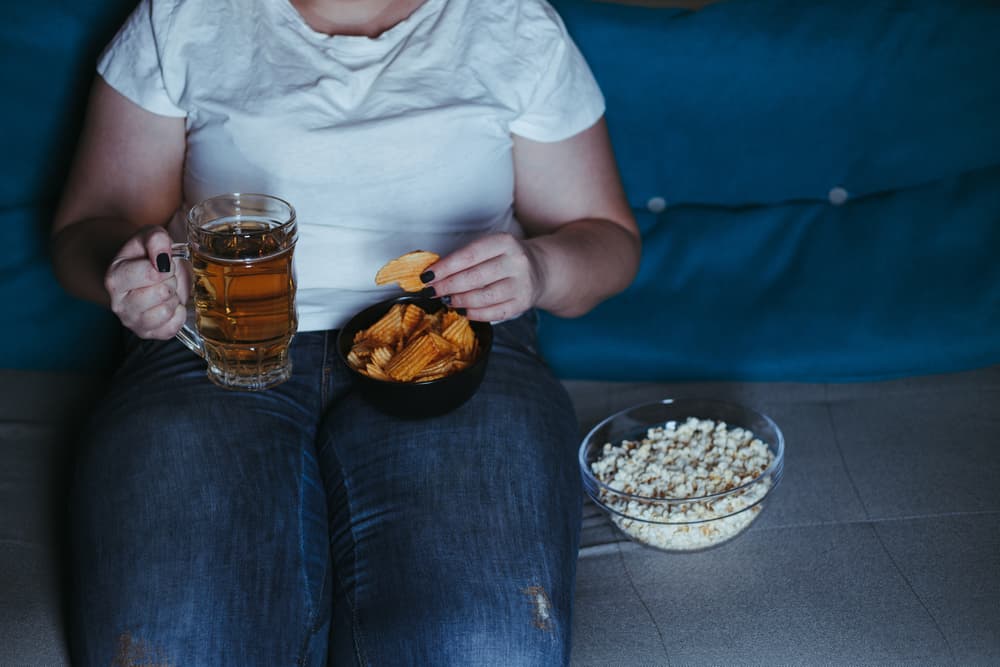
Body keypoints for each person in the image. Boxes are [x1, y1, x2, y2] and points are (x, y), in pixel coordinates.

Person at [50, 0, 640, 664]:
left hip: (448, 348)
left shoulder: (514, 23)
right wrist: (129, 269)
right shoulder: (184, 17)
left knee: (485, 645)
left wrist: (540, 267)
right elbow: (87, 228)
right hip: (211, 347)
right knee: (176, 642)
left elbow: (608, 240)